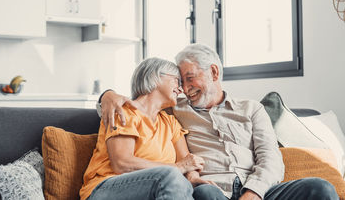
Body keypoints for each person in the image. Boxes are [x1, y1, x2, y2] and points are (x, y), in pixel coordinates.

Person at [99, 44, 339, 200]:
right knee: (205, 194)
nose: (184, 88)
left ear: (214, 73)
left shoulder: (252, 109)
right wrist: (105, 95)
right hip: (213, 191)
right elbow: (140, 103)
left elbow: (271, 159)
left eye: (190, 78)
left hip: (257, 191)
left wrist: (253, 192)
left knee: (320, 188)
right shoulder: (174, 110)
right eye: (180, 81)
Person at [80, 57, 213, 200]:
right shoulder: (124, 111)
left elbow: (187, 160)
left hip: (155, 189)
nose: (181, 89)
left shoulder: (170, 123)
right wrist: (178, 168)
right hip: (105, 188)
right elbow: (122, 163)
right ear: (155, 77)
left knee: (206, 192)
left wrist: (192, 177)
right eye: (177, 80)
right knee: (171, 176)